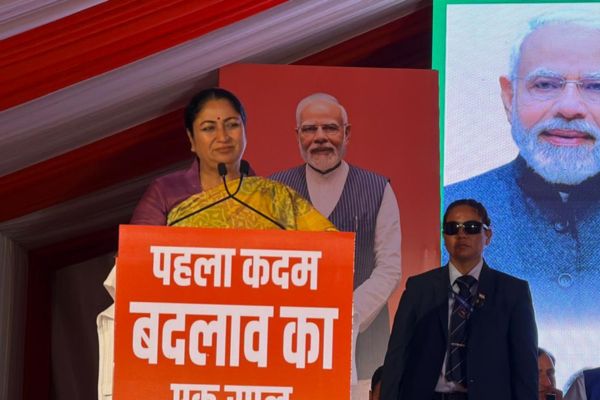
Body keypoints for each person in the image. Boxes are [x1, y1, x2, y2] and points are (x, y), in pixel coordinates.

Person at [96, 88, 336, 399]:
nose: (223, 136)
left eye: (232, 125)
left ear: (245, 130)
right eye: (209, 128)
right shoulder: (166, 192)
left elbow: (332, 255)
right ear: (191, 139)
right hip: (187, 345)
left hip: (256, 346)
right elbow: (134, 264)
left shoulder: (274, 198)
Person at [444, 12, 600, 318]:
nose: (570, 107)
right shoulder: (445, 207)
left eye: (596, 87)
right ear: (508, 97)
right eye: (545, 84)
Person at [269, 93, 401, 388]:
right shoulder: (274, 190)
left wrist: (345, 315)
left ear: (346, 133)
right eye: (309, 129)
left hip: (365, 345)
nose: (320, 138)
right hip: (291, 339)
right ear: (297, 135)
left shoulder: (378, 188)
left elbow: (389, 268)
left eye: (329, 128)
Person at [381, 199, 538, 400]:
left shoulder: (513, 292)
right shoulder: (419, 288)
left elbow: (525, 365)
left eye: (471, 227)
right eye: (452, 228)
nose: (461, 234)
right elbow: (397, 355)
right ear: (444, 236)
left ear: (488, 235)